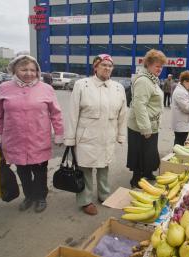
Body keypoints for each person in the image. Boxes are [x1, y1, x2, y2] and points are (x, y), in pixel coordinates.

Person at [0, 55, 64, 213]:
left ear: (38, 71)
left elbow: (56, 114)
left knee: (40, 172)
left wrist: (59, 134)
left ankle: (41, 197)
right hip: (14, 139)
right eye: (24, 69)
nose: (29, 73)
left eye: (32, 70)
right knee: (23, 172)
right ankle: (29, 196)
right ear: (15, 70)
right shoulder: (4, 87)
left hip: (39, 139)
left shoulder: (46, 89)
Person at [64, 54, 127, 216]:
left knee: (104, 166)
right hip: (87, 136)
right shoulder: (82, 85)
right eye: (103, 65)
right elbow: (72, 113)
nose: (107, 68)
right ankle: (85, 200)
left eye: (110, 65)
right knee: (84, 168)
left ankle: (104, 194)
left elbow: (122, 114)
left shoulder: (118, 88)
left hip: (107, 136)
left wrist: (121, 135)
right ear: (96, 67)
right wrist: (69, 138)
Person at [127, 49, 167, 188]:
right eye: (157, 66)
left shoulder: (152, 80)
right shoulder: (144, 81)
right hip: (140, 126)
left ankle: (148, 172)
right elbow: (139, 106)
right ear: (148, 64)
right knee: (139, 153)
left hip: (152, 124)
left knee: (149, 152)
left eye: (161, 66)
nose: (160, 69)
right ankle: (136, 180)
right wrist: (145, 127)